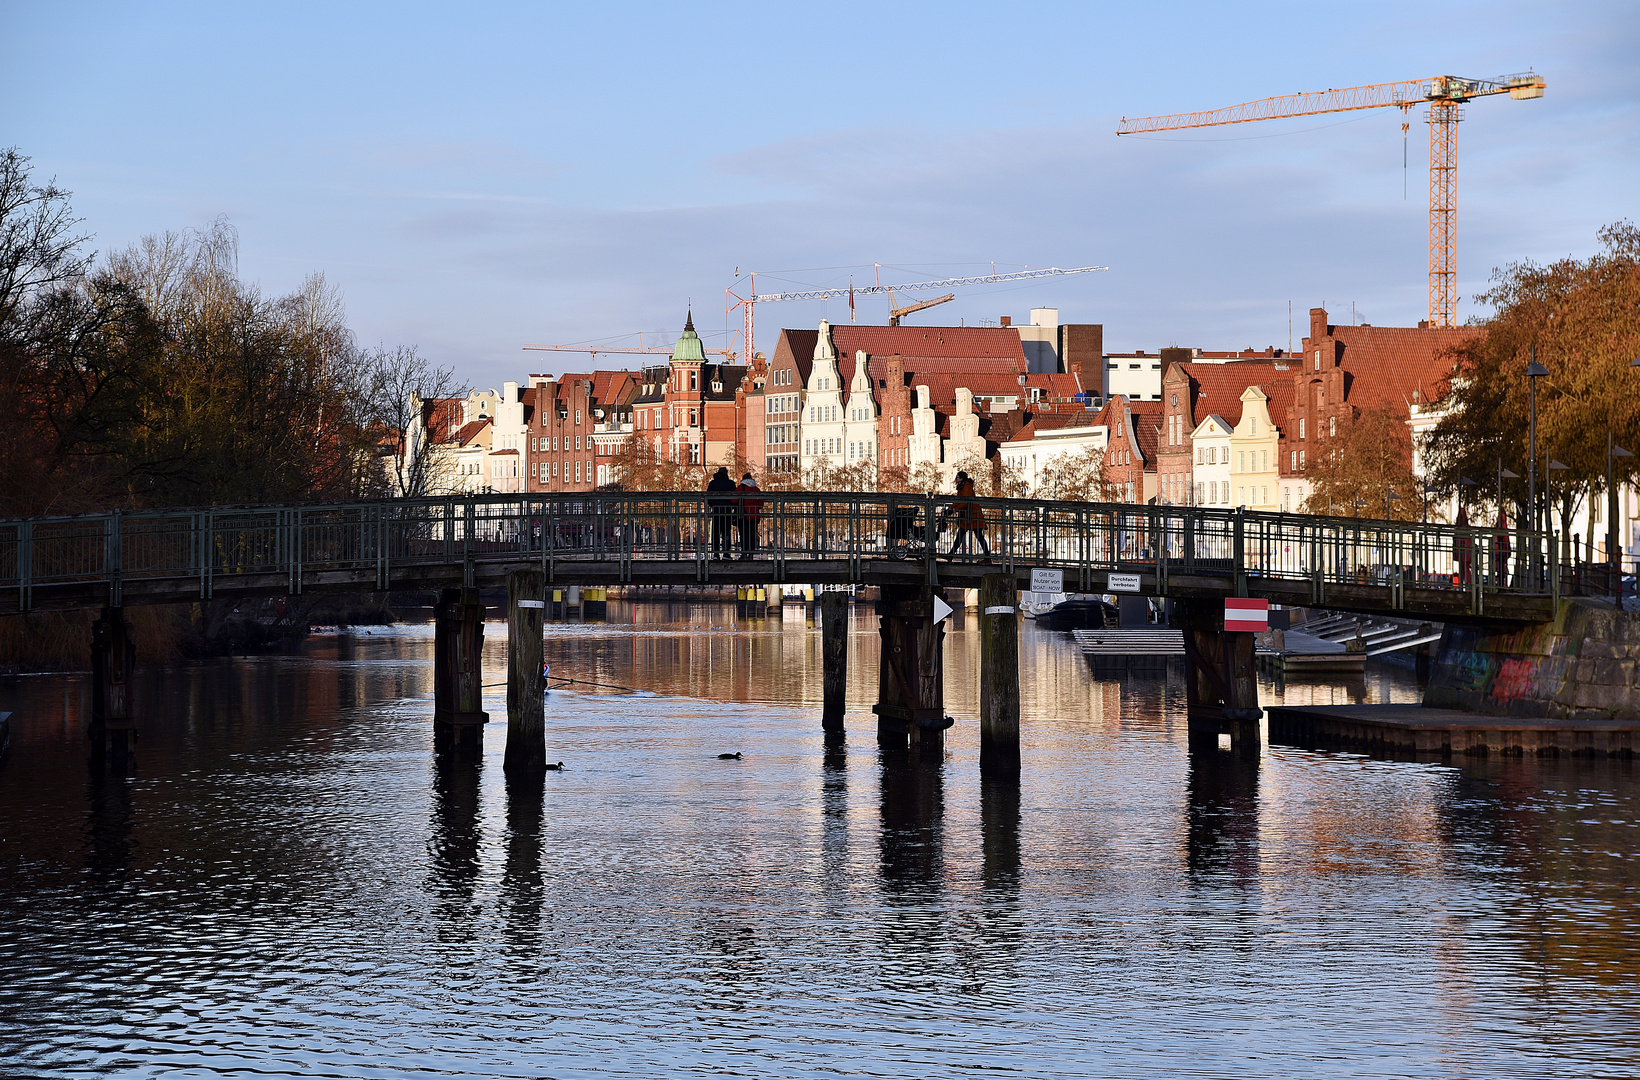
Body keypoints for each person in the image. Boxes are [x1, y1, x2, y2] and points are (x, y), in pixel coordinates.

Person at [948, 471, 990, 559]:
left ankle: (987, 557)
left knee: (977, 537)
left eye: (957, 477)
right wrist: (951, 508)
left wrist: (953, 510)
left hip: (973, 516)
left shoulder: (966, 487)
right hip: (969, 516)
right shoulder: (962, 487)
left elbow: (964, 502)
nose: (956, 479)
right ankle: (950, 555)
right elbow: (959, 501)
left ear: (961, 478)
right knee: (968, 536)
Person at [707, 466, 736, 559]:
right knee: (726, 532)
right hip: (727, 511)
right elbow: (734, 499)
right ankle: (726, 552)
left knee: (716, 532)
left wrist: (713, 506)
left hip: (716, 511)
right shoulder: (731, 483)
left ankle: (715, 553)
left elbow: (708, 498)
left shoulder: (712, 483)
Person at [735, 472, 763, 558]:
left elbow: (733, 500)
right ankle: (751, 553)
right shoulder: (756, 489)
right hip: (754, 516)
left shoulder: (741, 488)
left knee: (743, 535)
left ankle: (744, 553)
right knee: (752, 535)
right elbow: (761, 503)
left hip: (743, 515)